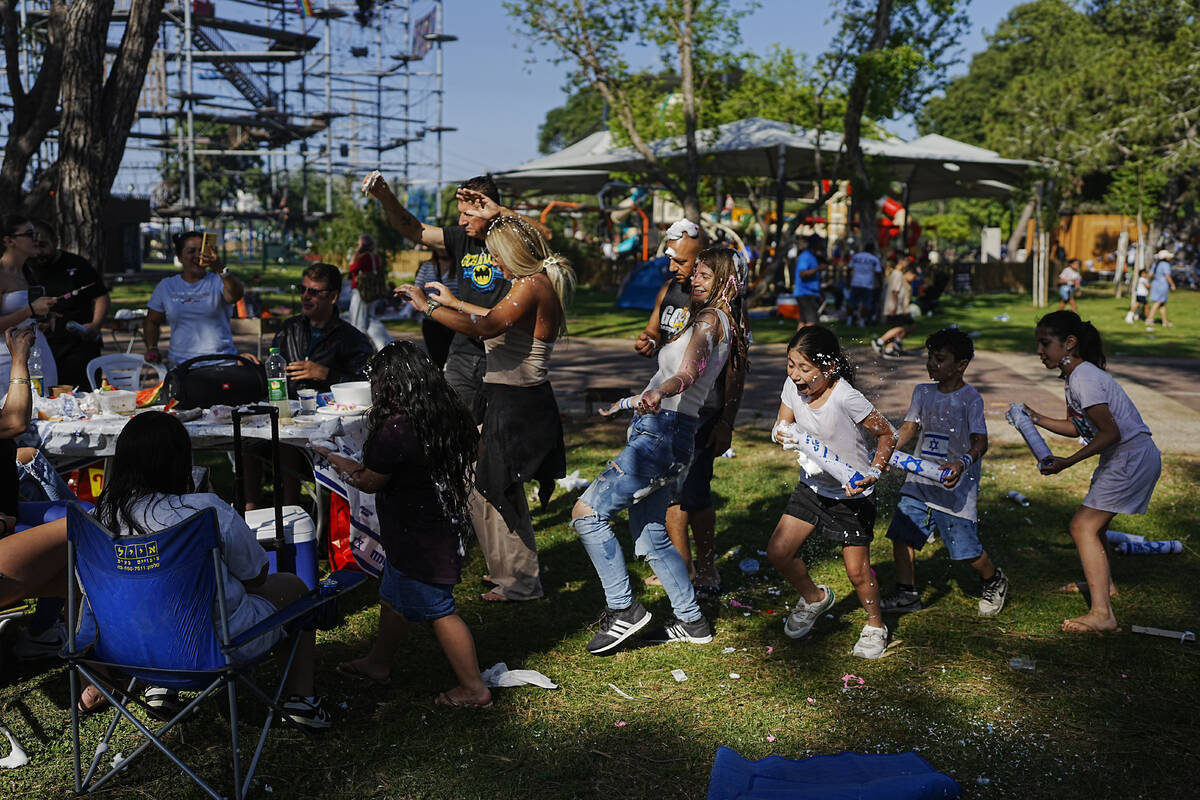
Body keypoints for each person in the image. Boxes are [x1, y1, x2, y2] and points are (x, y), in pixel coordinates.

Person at [365, 171, 550, 602]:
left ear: (491, 208)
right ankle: (497, 563)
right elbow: (411, 228)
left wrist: (431, 306)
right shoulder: (461, 237)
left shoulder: (517, 242)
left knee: (501, 471)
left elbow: (545, 237)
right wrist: (384, 195)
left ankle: (520, 575)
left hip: (507, 366)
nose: (464, 219)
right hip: (465, 359)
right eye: (461, 211)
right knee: (463, 459)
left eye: (472, 210)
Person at [83, 411, 330, 727]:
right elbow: (256, 576)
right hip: (209, 652)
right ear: (180, 461)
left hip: (128, 653)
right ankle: (302, 703)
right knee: (292, 586)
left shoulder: (97, 519)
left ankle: (162, 686)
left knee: (153, 602)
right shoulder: (205, 509)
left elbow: (89, 593)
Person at [571, 248, 748, 655]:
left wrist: (652, 394)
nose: (696, 279)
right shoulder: (719, 321)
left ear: (725, 280)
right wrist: (633, 401)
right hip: (671, 433)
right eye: (697, 273)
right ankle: (692, 621)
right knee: (652, 537)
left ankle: (623, 610)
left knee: (588, 515)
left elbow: (686, 374)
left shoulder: (708, 320)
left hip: (663, 433)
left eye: (705, 274)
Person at [398, 214, 573, 604]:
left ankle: (523, 582)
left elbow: (485, 328)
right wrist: (454, 301)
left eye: (496, 256)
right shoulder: (525, 285)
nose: (492, 264)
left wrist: (428, 308)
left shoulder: (532, 285)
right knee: (482, 484)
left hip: (520, 404)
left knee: (500, 486)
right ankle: (506, 574)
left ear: (514, 253)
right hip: (507, 399)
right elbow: (490, 318)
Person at [315, 342, 492, 708]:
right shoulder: (446, 409)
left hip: (418, 536)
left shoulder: (396, 427)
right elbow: (475, 450)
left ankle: (474, 689)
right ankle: (378, 663)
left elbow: (368, 480)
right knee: (393, 597)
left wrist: (333, 458)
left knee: (439, 609)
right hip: (436, 520)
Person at [1023, 311, 1160, 634]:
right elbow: (1080, 426)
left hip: (1130, 457)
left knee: (1082, 526)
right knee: (1093, 527)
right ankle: (1105, 585)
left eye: (1046, 343)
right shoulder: (1078, 376)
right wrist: (1035, 417)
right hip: (1127, 456)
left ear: (1069, 343)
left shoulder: (1083, 378)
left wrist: (1067, 462)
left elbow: (1109, 432)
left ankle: (1103, 615)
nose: (1040, 351)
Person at [766, 325, 897, 659]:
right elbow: (782, 423)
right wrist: (780, 433)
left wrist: (874, 472)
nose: (795, 375)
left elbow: (888, 435)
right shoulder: (792, 387)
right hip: (812, 488)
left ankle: (875, 625)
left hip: (851, 496)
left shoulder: (846, 397)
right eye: (791, 364)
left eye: (804, 368)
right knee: (779, 552)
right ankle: (814, 598)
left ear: (829, 367)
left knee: (857, 571)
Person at [633, 219, 747, 600]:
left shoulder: (721, 311)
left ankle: (703, 567)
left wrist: (727, 421)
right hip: (669, 410)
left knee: (692, 495)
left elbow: (736, 368)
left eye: (683, 263)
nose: (674, 269)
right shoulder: (671, 291)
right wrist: (648, 342)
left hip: (702, 412)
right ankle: (682, 567)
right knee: (671, 493)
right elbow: (655, 332)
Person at [880, 327, 1009, 617]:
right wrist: (887, 450)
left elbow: (981, 441)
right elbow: (910, 428)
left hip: (954, 487)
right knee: (902, 534)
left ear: (961, 365)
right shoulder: (923, 392)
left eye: (939, 359)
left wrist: (962, 462)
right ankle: (906, 594)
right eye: (929, 358)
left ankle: (993, 579)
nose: (931, 365)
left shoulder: (970, 399)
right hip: (919, 480)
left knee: (965, 549)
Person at [240, 262, 372, 510]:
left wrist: (326, 374)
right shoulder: (290, 328)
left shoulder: (351, 338)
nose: (305, 296)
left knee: (286, 441)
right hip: (287, 415)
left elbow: (365, 385)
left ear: (333, 296)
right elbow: (274, 372)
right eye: (303, 289)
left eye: (314, 292)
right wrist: (254, 367)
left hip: (329, 424)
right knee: (247, 439)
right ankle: (250, 510)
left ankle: (291, 508)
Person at [25, 220, 110, 391]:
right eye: (34, 247)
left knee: (83, 397)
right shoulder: (26, 268)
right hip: (43, 348)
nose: (39, 252)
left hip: (78, 345)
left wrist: (95, 325)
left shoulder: (77, 264)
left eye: (43, 245)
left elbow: (101, 296)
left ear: (56, 242)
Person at [144, 232, 244, 368]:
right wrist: (152, 347)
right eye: (191, 251)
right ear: (179, 257)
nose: (198, 255)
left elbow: (236, 295)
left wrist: (220, 268)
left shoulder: (219, 280)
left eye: (202, 251)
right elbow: (152, 321)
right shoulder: (167, 286)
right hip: (181, 366)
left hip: (221, 363)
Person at [0, 214, 58, 387]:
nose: (36, 240)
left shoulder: (29, 272)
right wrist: (30, 310)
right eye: (30, 234)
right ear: (9, 240)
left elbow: (26, 313)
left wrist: (43, 317)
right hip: (7, 360)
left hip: (39, 354)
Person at [414, 249, 457, 368]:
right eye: (439, 246)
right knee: (436, 359)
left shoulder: (460, 265)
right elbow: (417, 289)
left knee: (455, 359)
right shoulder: (427, 266)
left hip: (454, 320)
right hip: (432, 320)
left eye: (445, 246)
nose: (442, 249)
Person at [871, 256, 917, 359]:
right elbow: (895, 291)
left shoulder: (897, 274)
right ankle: (879, 341)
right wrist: (895, 306)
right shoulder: (897, 274)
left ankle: (889, 349)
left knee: (894, 328)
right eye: (906, 261)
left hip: (896, 306)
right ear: (900, 261)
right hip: (895, 306)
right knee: (899, 328)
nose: (907, 264)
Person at [347, 233, 386, 348]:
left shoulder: (364, 257)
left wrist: (355, 252)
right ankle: (382, 343)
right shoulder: (375, 257)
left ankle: (358, 347)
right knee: (371, 319)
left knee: (358, 321)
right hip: (372, 292)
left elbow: (351, 268)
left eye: (358, 243)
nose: (357, 245)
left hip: (361, 292)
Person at [846, 242, 882, 327]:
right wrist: (880, 284)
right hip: (868, 284)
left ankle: (849, 320)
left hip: (855, 282)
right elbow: (878, 273)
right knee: (866, 304)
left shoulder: (856, 256)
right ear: (872, 250)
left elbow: (848, 269)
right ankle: (862, 321)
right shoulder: (874, 259)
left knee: (851, 302)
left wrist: (848, 281)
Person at [791, 235, 823, 329]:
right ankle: (809, 343)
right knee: (812, 322)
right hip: (805, 293)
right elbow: (802, 273)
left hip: (809, 292)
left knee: (803, 321)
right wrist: (818, 269)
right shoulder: (806, 256)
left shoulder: (812, 256)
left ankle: (798, 343)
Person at [1144, 251, 1175, 329]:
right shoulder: (1165, 265)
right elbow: (1167, 276)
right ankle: (1149, 319)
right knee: (1158, 302)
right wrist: (1172, 285)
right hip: (1162, 285)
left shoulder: (1155, 264)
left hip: (1155, 284)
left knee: (1162, 304)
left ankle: (1164, 322)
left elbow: (1150, 275)